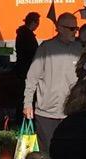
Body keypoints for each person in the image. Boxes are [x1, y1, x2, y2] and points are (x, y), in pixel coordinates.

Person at [24, 13, 82, 152]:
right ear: (59, 28)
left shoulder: (79, 49)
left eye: (76, 28)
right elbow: (32, 77)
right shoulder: (46, 48)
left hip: (70, 112)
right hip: (46, 114)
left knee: (68, 154)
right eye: (71, 28)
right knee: (47, 157)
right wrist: (27, 103)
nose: (75, 32)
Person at [15, 12, 40, 77]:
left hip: (22, 67)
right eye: (37, 23)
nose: (38, 25)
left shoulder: (23, 33)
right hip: (26, 68)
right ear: (33, 22)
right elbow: (32, 52)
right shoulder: (27, 35)